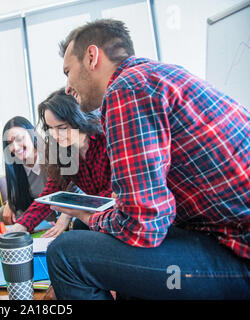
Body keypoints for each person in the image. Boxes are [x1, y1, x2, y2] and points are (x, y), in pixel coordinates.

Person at [46, 19, 249, 299]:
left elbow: (143, 226)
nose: (67, 87)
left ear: (92, 57)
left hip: (237, 251)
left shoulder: (126, 90)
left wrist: (89, 214)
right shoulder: (161, 74)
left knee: (65, 254)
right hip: (223, 234)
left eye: (68, 72)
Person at [0, 88, 112, 239]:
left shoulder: (108, 140)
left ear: (79, 119)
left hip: (117, 217)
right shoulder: (62, 152)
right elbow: (50, 194)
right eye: (50, 129)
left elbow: (117, 192)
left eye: (61, 128)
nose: (55, 135)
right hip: (94, 216)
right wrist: (19, 227)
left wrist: (73, 209)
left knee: (75, 232)